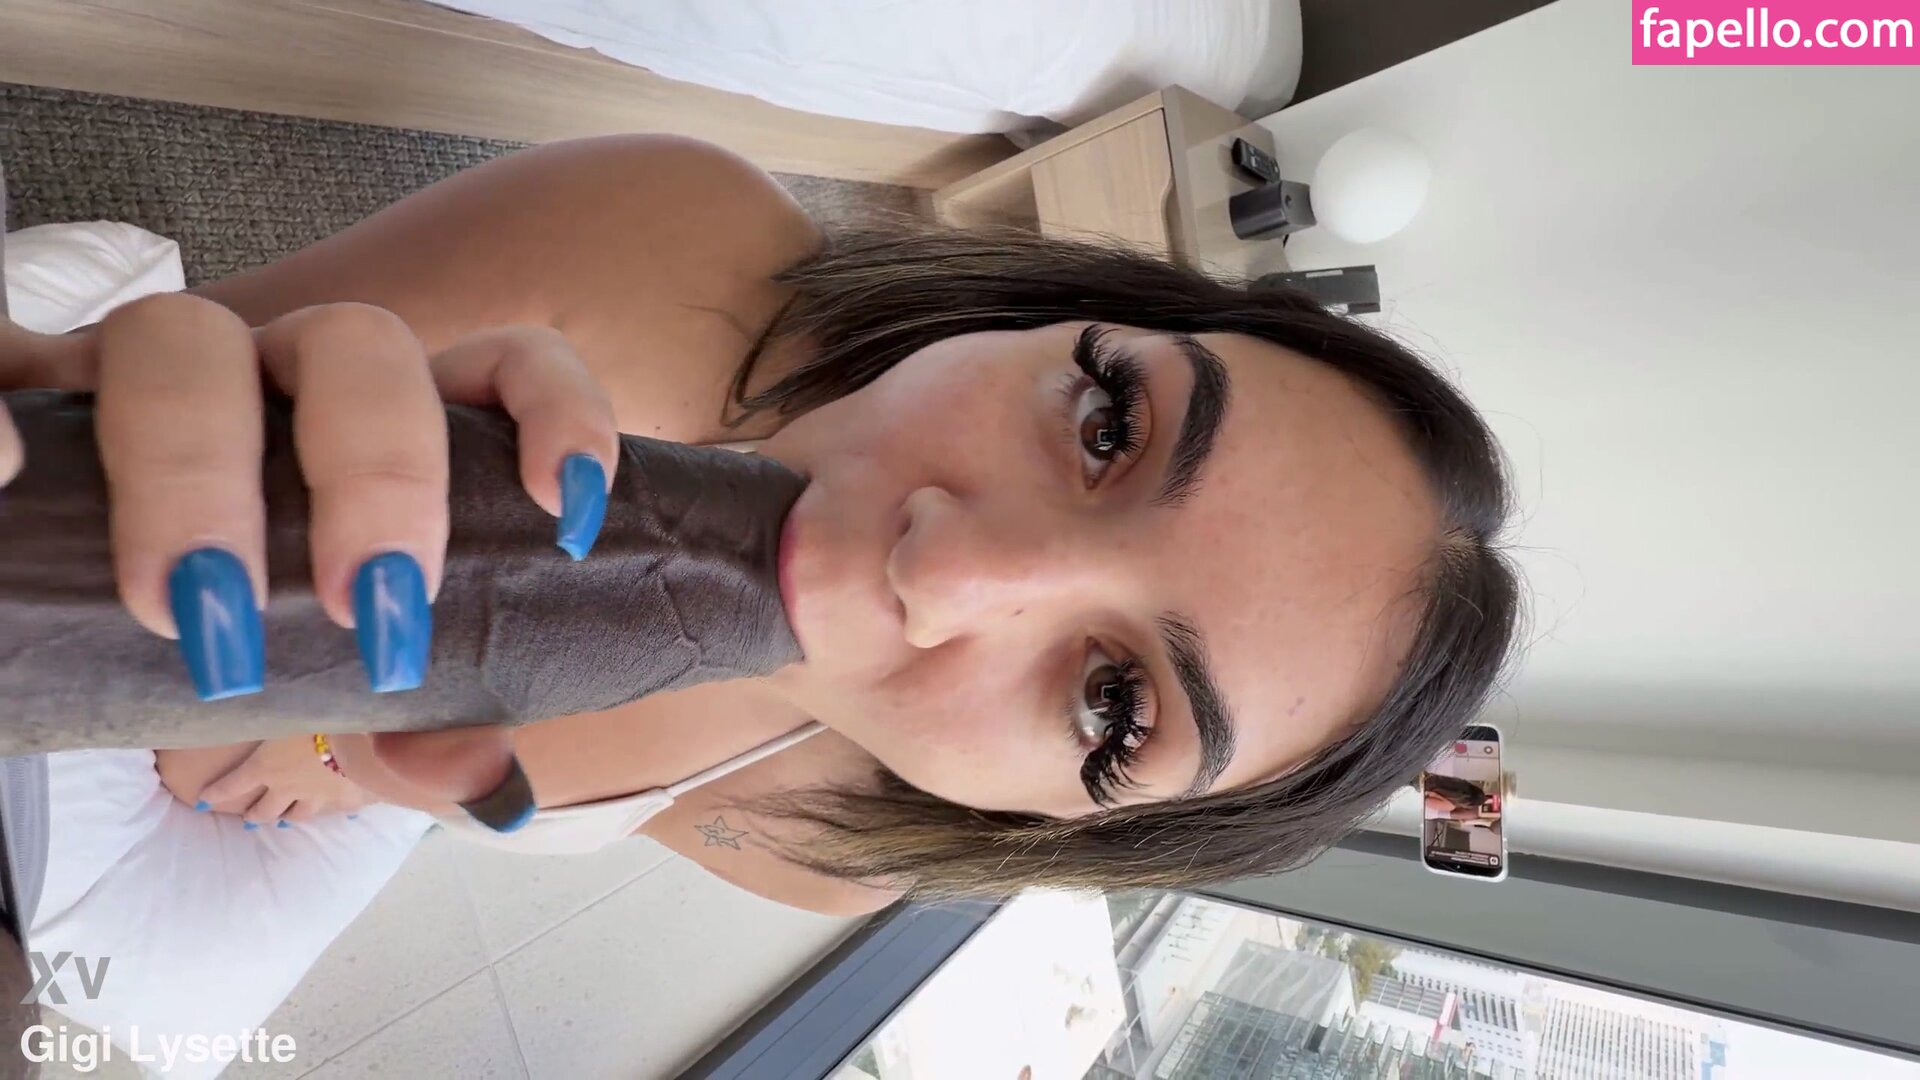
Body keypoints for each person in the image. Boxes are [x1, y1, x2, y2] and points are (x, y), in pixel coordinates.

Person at [0, 134, 1522, 920]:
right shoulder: (662, 240)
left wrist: (344, 753)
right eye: (1110, 423)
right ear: (1063, 313)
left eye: (1117, 705)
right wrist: (82, 415)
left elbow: (483, 782)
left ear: (1080, 825)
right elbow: (130, 392)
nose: (947, 570)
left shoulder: (827, 857)